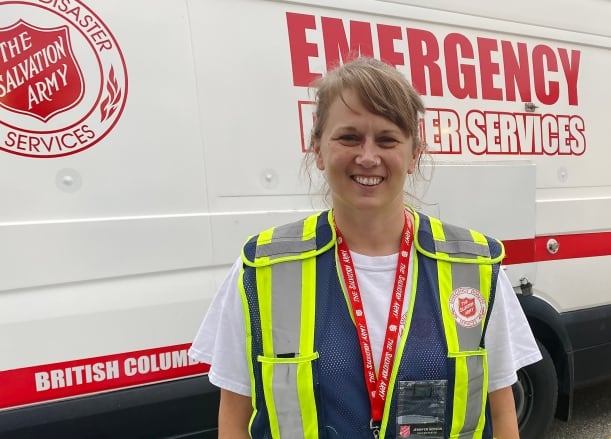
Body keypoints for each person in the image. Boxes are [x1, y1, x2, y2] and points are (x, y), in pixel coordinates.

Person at [189, 57, 542, 438]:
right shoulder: (263, 270)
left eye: (387, 139)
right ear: (318, 150)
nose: (368, 156)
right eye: (349, 137)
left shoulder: (472, 267)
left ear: (414, 155)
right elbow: (233, 421)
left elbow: (503, 415)